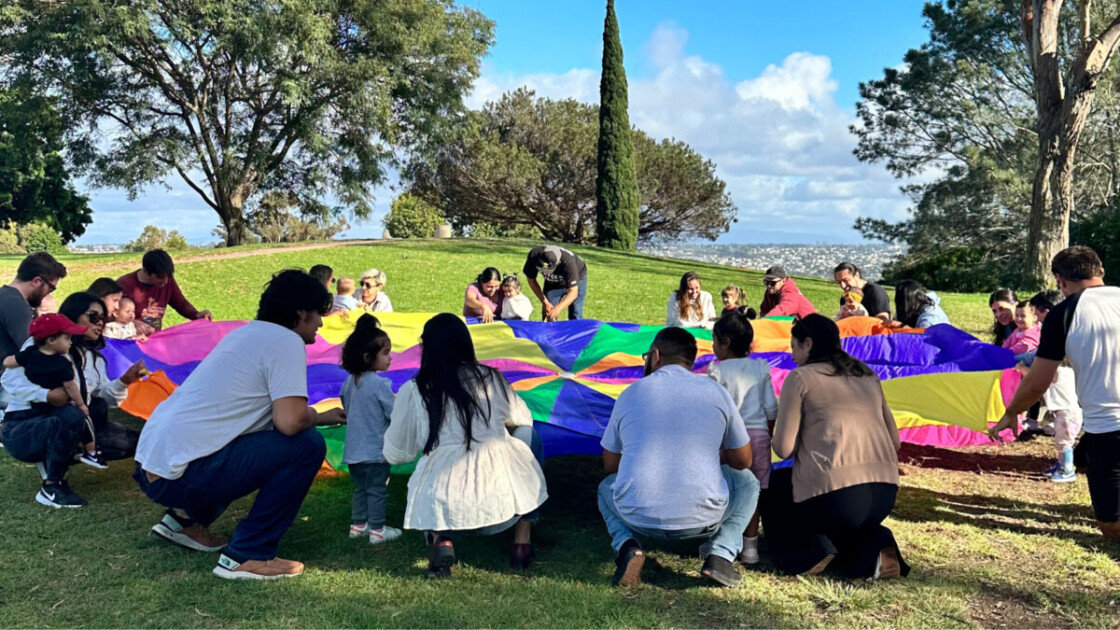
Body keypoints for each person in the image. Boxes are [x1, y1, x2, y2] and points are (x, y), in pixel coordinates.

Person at [133, 269, 346, 580]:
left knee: (252, 439)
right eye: (317, 315)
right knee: (306, 445)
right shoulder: (286, 340)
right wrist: (318, 418)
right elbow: (290, 422)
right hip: (180, 476)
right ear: (300, 313)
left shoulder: (245, 333)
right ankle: (249, 554)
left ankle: (183, 522)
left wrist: (318, 415)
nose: (321, 323)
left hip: (151, 467)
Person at [383, 314, 547, 577]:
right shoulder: (490, 378)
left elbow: (395, 453)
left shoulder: (415, 390)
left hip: (442, 504)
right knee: (530, 437)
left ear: (426, 347)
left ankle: (442, 538)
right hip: (503, 506)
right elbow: (522, 419)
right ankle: (522, 541)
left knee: (431, 469)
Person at [599, 327, 760, 588]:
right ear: (691, 360)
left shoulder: (630, 393)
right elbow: (744, 461)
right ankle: (720, 555)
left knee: (605, 488)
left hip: (637, 517)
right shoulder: (716, 391)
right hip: (705, 519)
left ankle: (627, 547)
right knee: (748, 483)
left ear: (656, 355)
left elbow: (610, 466)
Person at [989, 247, 1120, 542]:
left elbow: (1038, 381)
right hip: (1104, 427)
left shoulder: (1064, 313)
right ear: (1101, 271)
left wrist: (1011, 413)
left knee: (1111, 525)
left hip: (1108, 427)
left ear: (1060, 281)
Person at [763, 314, 908, 579]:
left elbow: (783, 448)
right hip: (885, 494)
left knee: (772, 484)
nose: (792, 355)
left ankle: (808, 556)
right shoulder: (867, 374)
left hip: (838, 498)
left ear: (807, 343)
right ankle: (877, 543)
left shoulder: (800, 378)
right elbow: (894, 441)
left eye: (793, 346)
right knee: (849, 522)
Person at [2, 293, 147, 507]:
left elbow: (105, 397)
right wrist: (46, 395)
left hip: (71, 422)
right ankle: (51, 486)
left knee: (133, 442)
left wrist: (125, 380)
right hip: (23, 426)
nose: (100, 323)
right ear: (73, 316)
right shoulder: (44, 345)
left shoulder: (93, 359)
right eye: (93, 316)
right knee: (70, 414)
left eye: (103, 319)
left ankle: (70, 451)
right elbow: (9, 380)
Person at [707, 311, 777, 565]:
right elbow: (771, 409)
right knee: (754, 493)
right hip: (759, 438)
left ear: (724, 342)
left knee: (726, 489)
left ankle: (722, 541)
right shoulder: (760, 368)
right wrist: (769, 433)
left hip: (729, 440)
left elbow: (712, 409)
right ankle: (750, 548)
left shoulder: (717, 370)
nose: (712, 346)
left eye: (714, 340)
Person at [3, 313, 105, 468]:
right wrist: (78, 404)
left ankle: (74, 450)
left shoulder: (32, 353)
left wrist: (13, 360)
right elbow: (71, 386)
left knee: (90, 411)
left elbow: (8, 362)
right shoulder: (55, 358)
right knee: (77, 416)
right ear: (51, 340)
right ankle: (90, 454)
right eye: (94, 317)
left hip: (42, 411)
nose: (100, 323)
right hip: (30, 417)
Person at [340, 314, 401, 544]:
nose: (390, 358)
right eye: (385, 353)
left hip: (354, 452)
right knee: (377, 489)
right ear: (368, 357)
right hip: (376, 451)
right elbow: (393, 412)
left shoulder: (349, 382)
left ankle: (357, 525)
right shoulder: (380, 385)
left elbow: (347, 407)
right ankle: (377, 530)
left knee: (361, 489)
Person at [0, 252, 67, 428]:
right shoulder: (16, 305)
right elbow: (36, 349)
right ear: (37, 281)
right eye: (51, 288)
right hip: (6, 385)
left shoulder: (4, 297)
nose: (48, 294)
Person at [117, 249, 212, 335]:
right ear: (145, 271)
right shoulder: (124, 285)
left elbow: (181, 304)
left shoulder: (167, 281)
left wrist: (196, 315)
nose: (166, 281)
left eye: (169, 277)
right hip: (129, 342)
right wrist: (131, 323)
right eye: (160, 277)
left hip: (154, 340)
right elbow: (110, 316)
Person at [522, 245, 588, 321]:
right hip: (553, 284)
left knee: (575, 313)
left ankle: (576, 331)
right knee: (548, 313)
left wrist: (558, 308)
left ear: (558, 263)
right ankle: (549, 332)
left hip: (577, 279)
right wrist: (545, 302)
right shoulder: (534, 255)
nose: (544, 272)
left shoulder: (568, 262)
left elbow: (573, 292)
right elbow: (531, 280)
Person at [1043, 360, 1081, 483]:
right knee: (1062, 441)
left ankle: (1067, 471)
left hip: (1066, 414)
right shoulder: (1070, 371)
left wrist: (1020, 367)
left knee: (1064, 443)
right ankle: (1060, 465)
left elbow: (1038, 377)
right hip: (1069, 413)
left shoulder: (1058, 371)